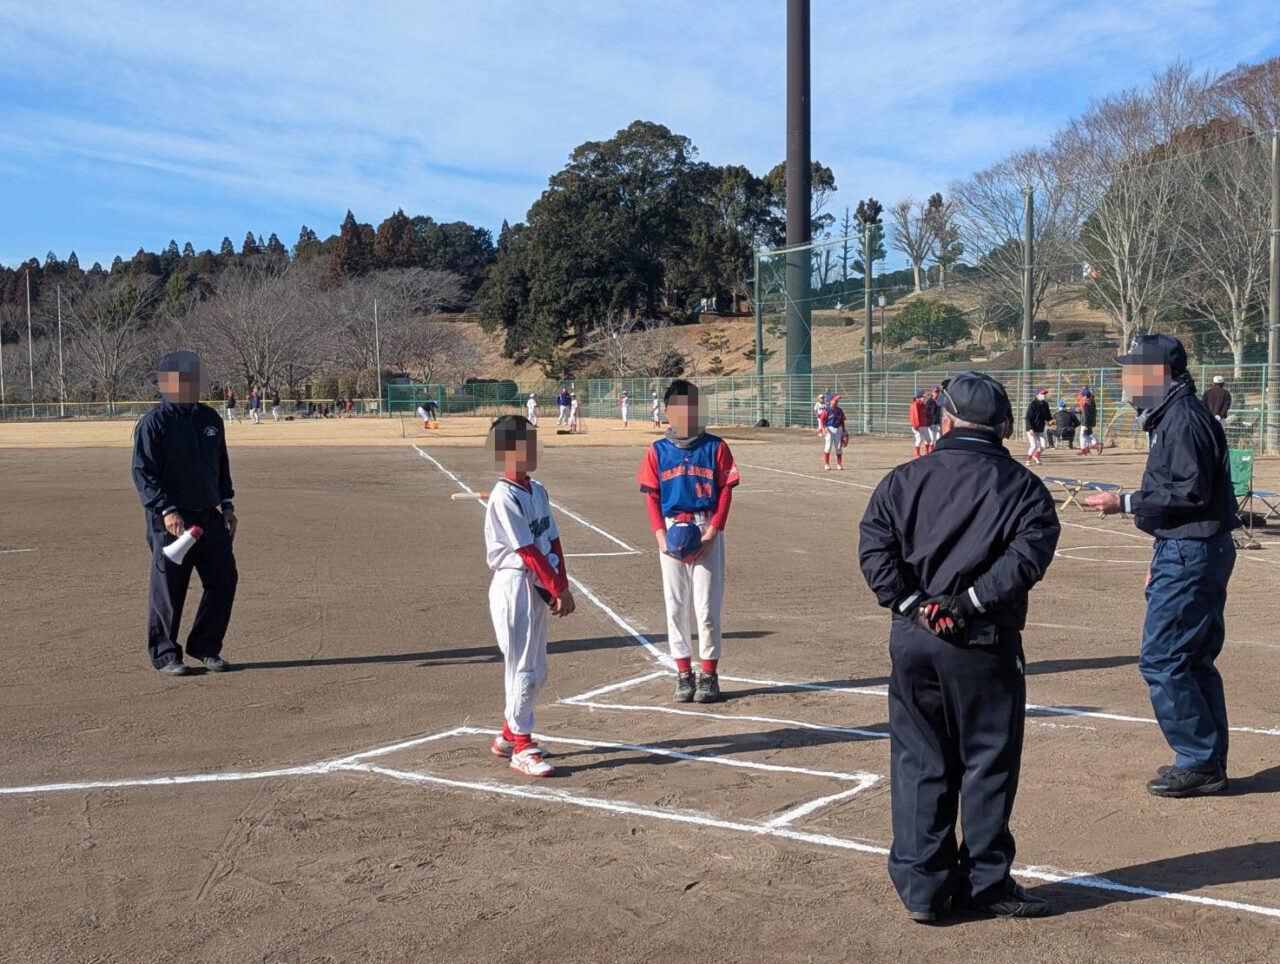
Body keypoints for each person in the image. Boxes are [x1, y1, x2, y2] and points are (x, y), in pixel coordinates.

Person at [859, 371, 1060, 922]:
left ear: (945, 421)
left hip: (917, 641)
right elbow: (1024, 562)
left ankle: (924, 888)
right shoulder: (1024, 489)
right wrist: (966, 603)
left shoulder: (902, 480)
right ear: (1003, 428)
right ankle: (986, 882)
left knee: (920, 758)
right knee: (987, 762)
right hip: (984, 642)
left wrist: (914, 605)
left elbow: (876, 550)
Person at [1085, 334, 1239, 798]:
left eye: (1135, 371)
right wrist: (1162, 552)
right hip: (1188, 547)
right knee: (1191, 658)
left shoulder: (1183, 419)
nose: (1127, 380)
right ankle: (1204, 758)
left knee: (1165, 659)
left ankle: (1198, 760)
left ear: (1161, 374)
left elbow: (1189, 492)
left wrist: (1125, 501)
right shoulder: (1174, 415)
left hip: (1192, 548)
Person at [132, 351, 238, 676]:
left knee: (224, 579)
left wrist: (227, 504)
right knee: (169, 588)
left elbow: (220, 464)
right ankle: (165, 654)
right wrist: (166, 509)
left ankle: (205, 645)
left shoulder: (210, 420)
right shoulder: (153, 424)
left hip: (208, 516)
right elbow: (143, 473)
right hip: (171, 521)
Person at [484, 414, 577, 777]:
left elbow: (551, 540)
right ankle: (521, 746)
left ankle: (509, 735)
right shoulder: (503, 496)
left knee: (538, 669)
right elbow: (527, 552)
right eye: (527, 443)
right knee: (523, 667)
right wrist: (556, 588)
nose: (535, 449)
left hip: (536, 582)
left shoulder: (537, 490)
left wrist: (562, 585)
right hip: (513, 586)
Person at [637, 379, 740, 704]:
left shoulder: (716, 446)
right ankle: (684, 673)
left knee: (707, 608)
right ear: (667, 412)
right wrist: (660, 536)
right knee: (675, 606)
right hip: (671, 531)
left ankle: (709, 674)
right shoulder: (657, 450)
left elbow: (725, 491)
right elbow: (652, 496)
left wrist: (713, 532)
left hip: (705, 526)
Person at [817, 393, 848, 471]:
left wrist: (844, 432)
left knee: (838, 447)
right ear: (830, 401)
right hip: (829, 429)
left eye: (837, 400)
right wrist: (823, 429)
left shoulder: (839, 410)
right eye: (835, 399)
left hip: (838, 429)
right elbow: (822, 420)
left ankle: (839, 463)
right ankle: (827, 464)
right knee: (828, 446)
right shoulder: (827, 410)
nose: (837, 401)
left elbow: (842, 421)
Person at [1024, 388, 1050, 465]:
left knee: (1044, 445)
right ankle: (1028, 460)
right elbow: (1028, 417)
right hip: (1031, 429)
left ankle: (1036, 456)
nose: (1043, 395)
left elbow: (1048, 416)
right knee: (1034, 445)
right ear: (1037, 395)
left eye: (1044, 394)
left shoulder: (1045, 404)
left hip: (1040, 428)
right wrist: (1030, 428)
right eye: (1042, 394)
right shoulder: (1033, 404)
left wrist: (1052, 423)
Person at [1077, 386, 1101, 454]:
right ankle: (1087, 448)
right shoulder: (1092, 402)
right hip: (1091, 421)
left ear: (1085, 396)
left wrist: (1086, 425)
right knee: (1087, 434)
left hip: (1086, 422)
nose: (1082, 397)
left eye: (1083, 395)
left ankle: (1086, 448)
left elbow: (1086, 415)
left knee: (1083, 435)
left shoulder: (1086, 404)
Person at [909, 391, 931, 458]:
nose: (924, 398)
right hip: (917, 426)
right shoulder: (915, 405)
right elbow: (914, 416)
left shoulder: (922, 404)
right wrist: (915, 425)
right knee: (919, 440)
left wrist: (930, 418)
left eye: (924, 397)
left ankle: (926, 452)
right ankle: (917, 454)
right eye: (923, 397)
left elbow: (927, 413)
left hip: (924, 424)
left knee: (928, 439)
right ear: (918, 397)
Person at [924, 387, 942, 453]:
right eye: (935, 392)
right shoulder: (929, 402)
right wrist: (927, 422)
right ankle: (930, 451)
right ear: (932, 393)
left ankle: (936, 450)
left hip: (938, 422)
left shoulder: (939, 401)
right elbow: (926, 413)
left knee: (939, 438)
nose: (937, 393)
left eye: (937, 392)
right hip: (931, 423)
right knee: (932, 439)